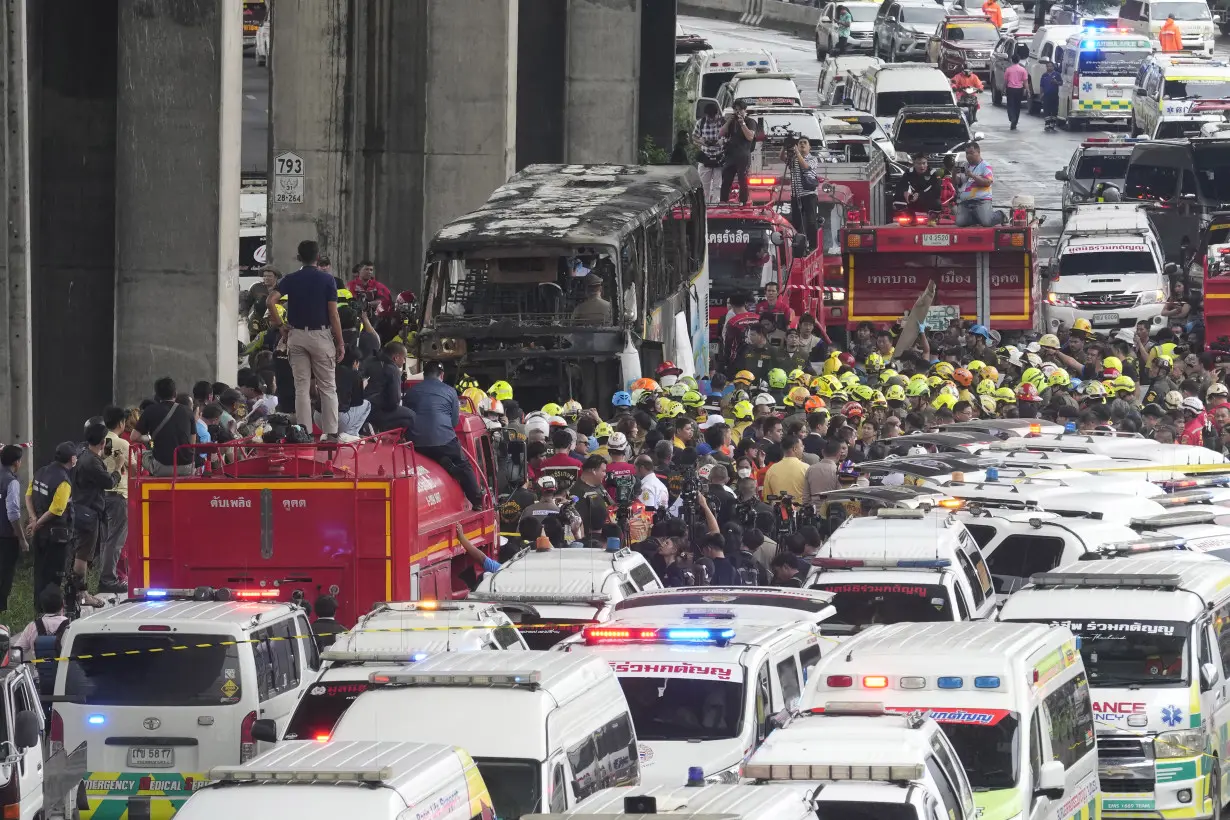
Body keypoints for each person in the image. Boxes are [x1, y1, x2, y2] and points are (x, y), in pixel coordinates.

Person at [266, 240, 344, 441]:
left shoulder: (291, 279)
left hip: (296, 335)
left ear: (299, 257)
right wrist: (341, 342)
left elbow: (270, 301)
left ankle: (304, 433)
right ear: (318, 257)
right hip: (321, 335)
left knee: (301, 387)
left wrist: (280, 325)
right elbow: (333, 314)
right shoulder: (327, 280)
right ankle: (331, 433)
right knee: (327, 386)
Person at [404, 361, 484, 508]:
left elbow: (406, 417)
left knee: (432, 452)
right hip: (444, 441)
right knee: (464, 465)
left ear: (424, 375)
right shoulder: (450, 391)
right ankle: (478, 501)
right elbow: (454, 422)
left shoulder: (411, 392)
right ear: (442, 375)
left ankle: (443, 462)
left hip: (416, 444)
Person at [25, 442, 76, 604]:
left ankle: (38, 609)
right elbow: (57, 509)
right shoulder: (63, 481)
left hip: (40, 535)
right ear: (72, 459)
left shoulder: (41, 471)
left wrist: (33, 519)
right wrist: (37, 523)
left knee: (40, 573)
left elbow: (28, 495)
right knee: (54, 576)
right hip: (56, 536)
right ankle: (50, 612)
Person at [71, 421, 117, 585]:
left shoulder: (82, 452)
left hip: (79, 507)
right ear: (103, 442)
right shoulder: (92, 462)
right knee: (83, 554)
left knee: (82, 552)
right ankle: (80, 592)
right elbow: (109, 482)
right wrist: (117, 468)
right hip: (89, 512)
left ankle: (77, 590)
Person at [134, 377, 196, 476]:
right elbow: (192, 442)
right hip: (188, 467)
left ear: (157, 395)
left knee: (140, 454)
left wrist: (149, 438)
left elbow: (134, 437)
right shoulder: (188, 411)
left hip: (162, 468)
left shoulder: (150, 410)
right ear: (175, 393)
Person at [99, 407, 130, 593]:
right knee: (116, 541)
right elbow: (134, 467)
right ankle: (109, 579)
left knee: (105, 540)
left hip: (101, 496)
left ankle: (105, 575)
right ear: (121, 423)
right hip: (118, 495)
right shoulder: (122, 444)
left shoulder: (102, 442)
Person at [363, 341, 416, 435]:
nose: (404, 361)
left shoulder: (369, 361)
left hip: (360, 409)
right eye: (403, 358)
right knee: (411, 416)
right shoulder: (393, 369)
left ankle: (369, 425)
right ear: (395, 358)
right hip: (376, 411)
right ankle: (376, 427)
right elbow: (394, 401)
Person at [0, 445, 25, 612]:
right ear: (16, 462)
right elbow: (13, 514)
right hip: (7, 536)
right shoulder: (11, 482)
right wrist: (22, 539)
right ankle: (1, 609)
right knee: (5, 573)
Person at [784, 137, 820, 250]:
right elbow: (781, 158)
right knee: (796, 222)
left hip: (809, 195)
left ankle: (813, 246)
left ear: (809, 147)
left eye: (805, 143)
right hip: (796, 195)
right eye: (800, 143)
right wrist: (784, 146)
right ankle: (798, 246)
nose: (802, 144)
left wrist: (797, 152)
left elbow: (805, 166)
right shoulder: (793, 158)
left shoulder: (813, 159)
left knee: (811, 221)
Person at [719, 101, 758, 205]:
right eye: (735, 109)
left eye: (740, 109)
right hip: (731, 155)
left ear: (744, 110)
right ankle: (723, 201)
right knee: (726, 179)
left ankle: (743, 202)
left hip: (743, 154)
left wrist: (742, 123)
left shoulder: (750, 122)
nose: (737, 112)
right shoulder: (732, 122)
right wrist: (728, 121)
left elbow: (750, 137)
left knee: (742, 179)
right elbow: (721, 133)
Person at [953, 142, 996, 227]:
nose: (968, 156)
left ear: (978, 152)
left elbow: (987, 182)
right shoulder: (965, 166)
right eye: (967, 153)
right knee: (960, 222)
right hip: (966, 201)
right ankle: (977, 217)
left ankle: (1001, 215)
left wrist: (973, 176)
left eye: (971, 153)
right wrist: (953, 173)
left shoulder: (985, 166)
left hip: (981, 200)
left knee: (986, 222)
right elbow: (956, 182)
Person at [330, 349, 370, 439]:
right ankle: (350, 433)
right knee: (367, 404)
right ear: (355, 362)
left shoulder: (331, 369)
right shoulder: (355, 374)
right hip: (338, 419)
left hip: (318, 417)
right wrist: (361, 388)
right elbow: (357, 403)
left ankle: (328, 433)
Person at [692, 102, 725, 204]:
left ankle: (716, 206)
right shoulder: (700, 123)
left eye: (713, 116)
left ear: (717, 114)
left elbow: (730, 137)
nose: (711, 119)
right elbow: (694, 137)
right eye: (709, 116)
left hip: (719, 157)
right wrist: (702, 142)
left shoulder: (723, 122)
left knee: (717, 186)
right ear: (706, 115)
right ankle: (704, 206)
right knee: (703, 186)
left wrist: (722, 142)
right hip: (705, 157)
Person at [1003, 54, 1028, 130]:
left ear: (1011, 60)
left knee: (1010, 105)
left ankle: (1012, 118)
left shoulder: (1008, 69)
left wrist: (1003, 88)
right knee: (1017, 106)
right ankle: (1015, 121)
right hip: (1019, 89)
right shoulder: (1023, 70)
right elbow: (1025, 81)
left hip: (1010, 89)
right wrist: (1027, 90)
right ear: (1019, 60)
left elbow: (1006, 81)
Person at [1040, 61, 1061, 131]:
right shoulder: (1044, 75)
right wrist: (1041, 94)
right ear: (1046, 67)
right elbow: (1041, 85)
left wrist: (1056, 82)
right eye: (1048, 66)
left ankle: (1053, 123)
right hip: (1046, 95)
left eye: (1051, 66)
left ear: (1053, 67)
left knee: (1054, 109)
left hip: (1054, 95)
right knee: (1046, 110)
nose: (1049, 67)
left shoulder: (1057, 74)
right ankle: (1047, 124)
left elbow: (1061, 83)